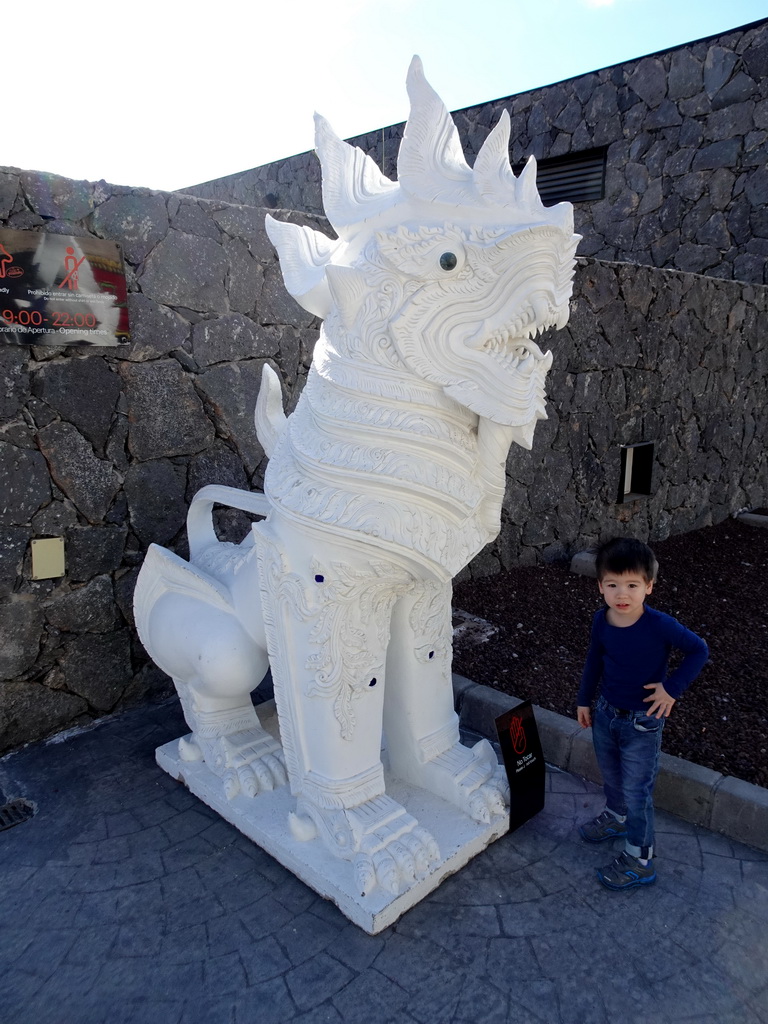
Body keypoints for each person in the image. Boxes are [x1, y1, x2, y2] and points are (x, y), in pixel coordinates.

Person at [576, 537, 708, 891]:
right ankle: (617, 819)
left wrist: (672, 688)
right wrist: (584, 700)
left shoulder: (659, 625)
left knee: (637, 791)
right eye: (613, 584)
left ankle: (640, 859)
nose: (623, 593)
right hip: (605, 714)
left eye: (632, 585)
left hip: (642, 722)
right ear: (601, 586)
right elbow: (593, 661)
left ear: (648, 586)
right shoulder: (601, 621)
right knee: (612, 777)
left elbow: (698, 650)